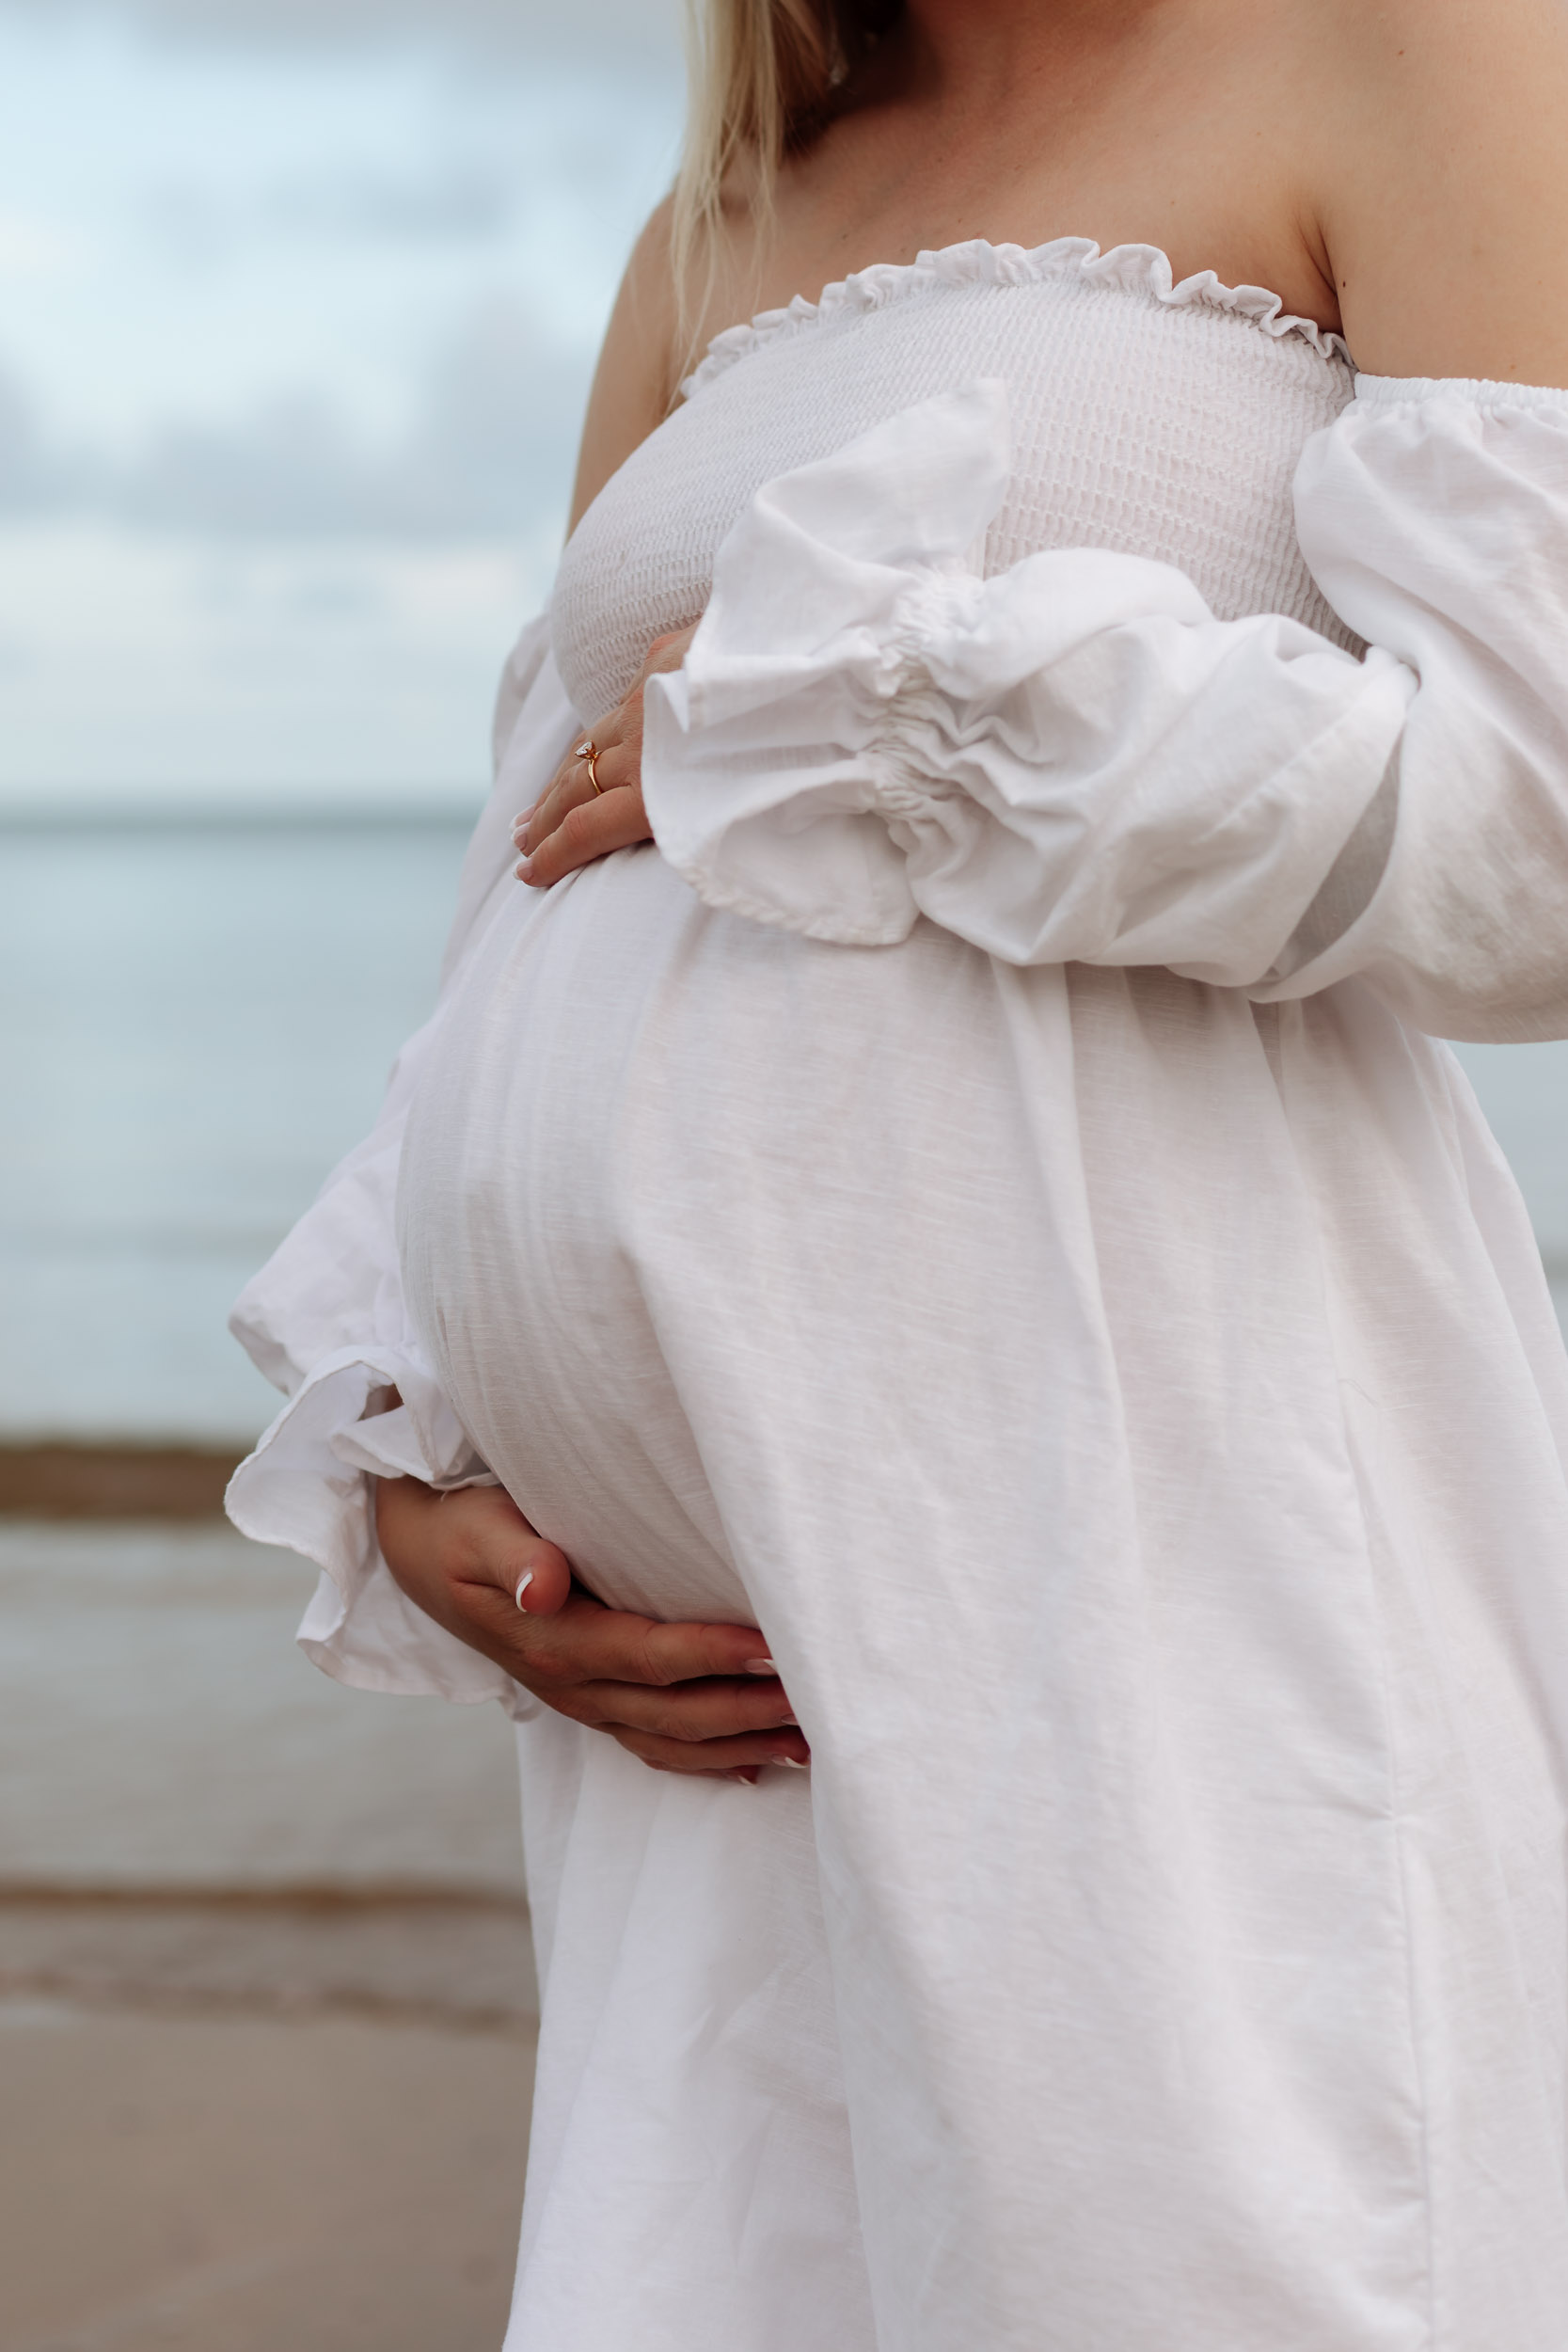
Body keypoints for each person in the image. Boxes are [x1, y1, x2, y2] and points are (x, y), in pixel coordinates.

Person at [228, 0, 1568, 2342]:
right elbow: (542, 857)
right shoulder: (717, 216)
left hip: (1157, 1595)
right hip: (717, 1743)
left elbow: (1537, 834)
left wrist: (878, 715)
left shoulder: (1418, 44)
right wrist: (399, 1406)